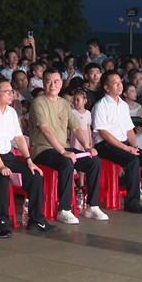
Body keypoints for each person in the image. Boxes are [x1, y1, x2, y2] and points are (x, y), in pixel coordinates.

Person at [0, 78, 55, 237]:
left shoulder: (11, 113)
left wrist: (29, 161)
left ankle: (36, 219)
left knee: (35, 175)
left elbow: (19, 138)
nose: (12, 94)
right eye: (7, 91)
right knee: (2, 178)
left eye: (12, 91)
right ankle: (2, 223)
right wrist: (1, 166)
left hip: (6, 155)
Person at [29, 67, 105, 224]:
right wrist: (63, 152)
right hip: (43, 150)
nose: (53, 85)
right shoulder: (38, 102)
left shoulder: (64, 103)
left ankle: (92, 206)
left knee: (94, 161)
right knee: (66, 162)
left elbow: (75, 128)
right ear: (43, 83)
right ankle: (64, 209)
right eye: (49, 81)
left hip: (63, 148)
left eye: (56, 81)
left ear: (61, 83)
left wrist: (87, 147)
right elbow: (45, 129)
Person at [92, 71, 142, 214]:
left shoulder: (123, 105)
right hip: (106, 145)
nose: (120, 85)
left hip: (124, 143)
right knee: (132, 160)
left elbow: (129, 130)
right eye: (115, 83)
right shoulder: (101, 106)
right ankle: (132, 202)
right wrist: (126, 148)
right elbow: (104, 134)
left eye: (120, 82)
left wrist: (134, 146)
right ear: (106, 88)